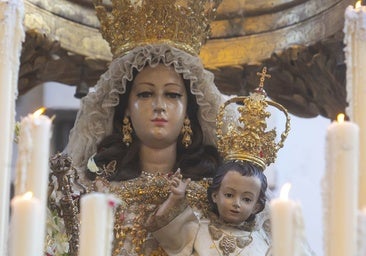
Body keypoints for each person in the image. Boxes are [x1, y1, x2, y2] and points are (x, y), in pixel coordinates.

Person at [45, 1, 232, 255]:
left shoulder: (217, 196)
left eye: (172, 95)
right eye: (145, 94)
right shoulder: (93, 191)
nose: (158, 106)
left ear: (189, 110)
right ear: (126, 110)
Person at [146, 161, 271, 256]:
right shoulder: (198, 228)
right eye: (229, 195)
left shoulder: (260, 242)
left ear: (256, 207)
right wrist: (175, 198)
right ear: (215, 196)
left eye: (247, 199)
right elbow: (165, 228)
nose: (236, 203)